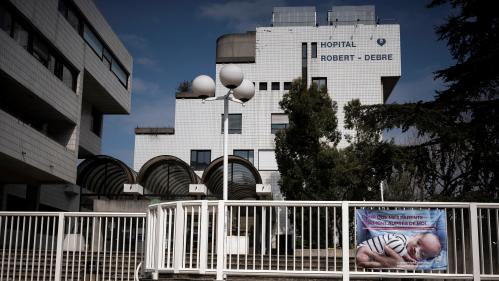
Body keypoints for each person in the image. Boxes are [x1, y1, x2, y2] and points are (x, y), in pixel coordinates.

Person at [356, 232, 441, 268]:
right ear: (416, 236)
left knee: (390, 264)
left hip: (376, 257)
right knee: (362, 258)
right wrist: (406, 256)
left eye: (422, 254)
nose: (416, 249)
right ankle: (368, 255)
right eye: (418, 243)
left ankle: (370, 262)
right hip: (365, 248)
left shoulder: (413, 262)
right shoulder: (403, 239)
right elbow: (392, 244)